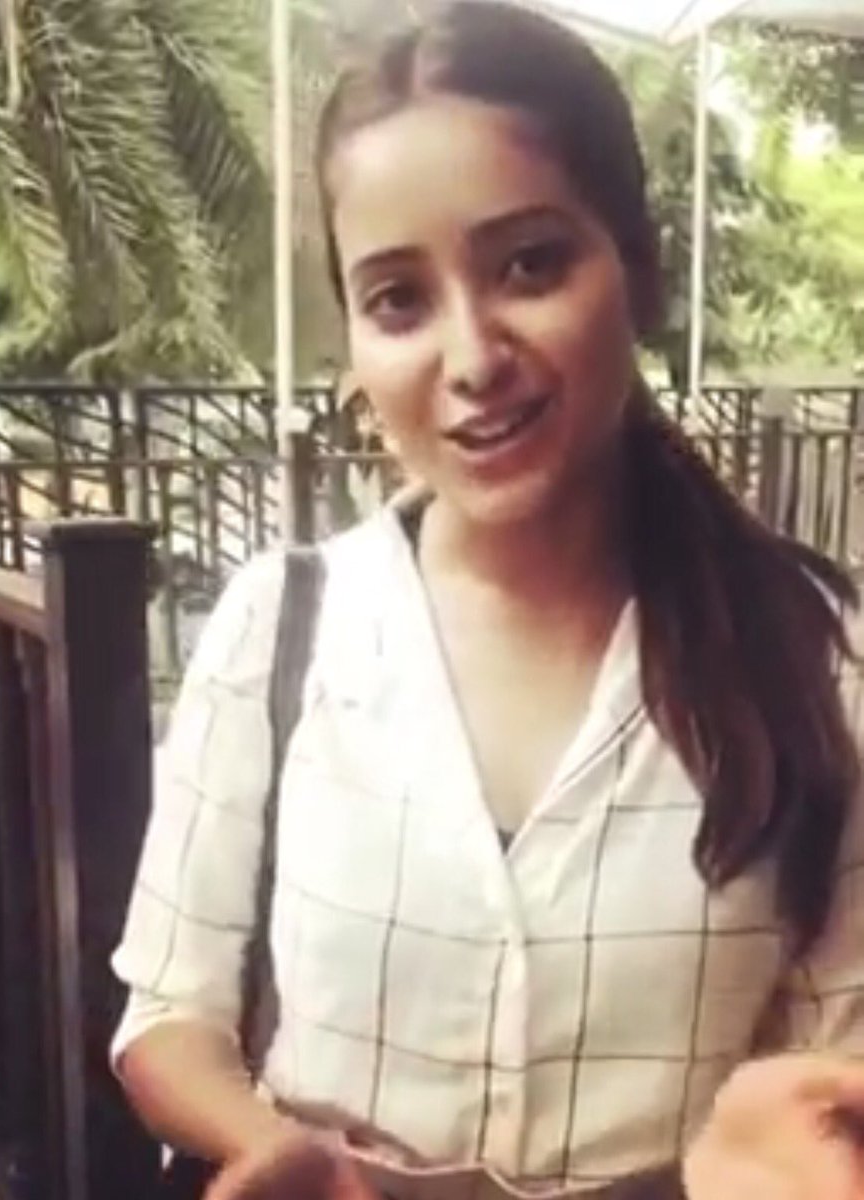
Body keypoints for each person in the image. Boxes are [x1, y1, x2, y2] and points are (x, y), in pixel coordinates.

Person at [110, 3, 864, 1197]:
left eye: (528, 264)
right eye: (398, 300)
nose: (469, 360)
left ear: (638, 269)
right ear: (355, 343)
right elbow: (168, 1013)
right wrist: (270, 1146)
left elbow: (833, 1072)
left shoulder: (814, 662)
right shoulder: (279, 630)